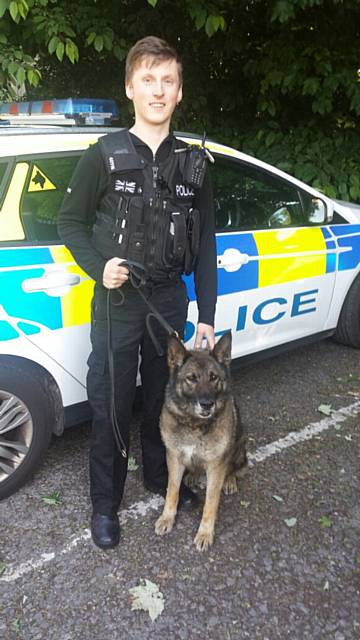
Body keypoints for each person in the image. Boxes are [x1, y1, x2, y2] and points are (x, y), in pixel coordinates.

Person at [58, 36, 217, 549]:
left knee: (162, 401)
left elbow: (208, 246)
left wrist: (207, 317)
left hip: (170, 301)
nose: (158, 90)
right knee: (110, 404)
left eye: (167, 80)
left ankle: (156, 476)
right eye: (147, 79)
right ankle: (105, 504)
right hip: (119, 302)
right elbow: (70, 222)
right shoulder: (103, 156)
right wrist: (98, 267)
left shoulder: (195, 167)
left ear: (179, 92)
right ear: (130, 87)